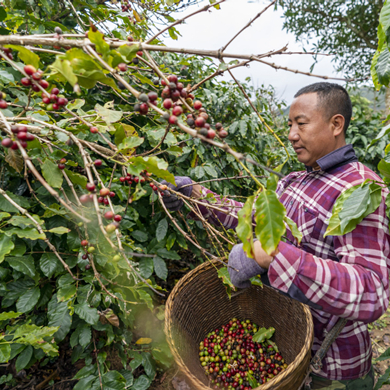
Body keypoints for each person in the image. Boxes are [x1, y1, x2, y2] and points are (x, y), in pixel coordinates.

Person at [161, 82, 390, 389]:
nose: (292, 135)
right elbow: (253, 218)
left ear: (336, 124)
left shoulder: (359, 189)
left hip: (331, 367)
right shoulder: (297, 180)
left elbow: (372, 291)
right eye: (290, 125)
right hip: (288, 346)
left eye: (301, 124)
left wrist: (273, 255)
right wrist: (195, 195)